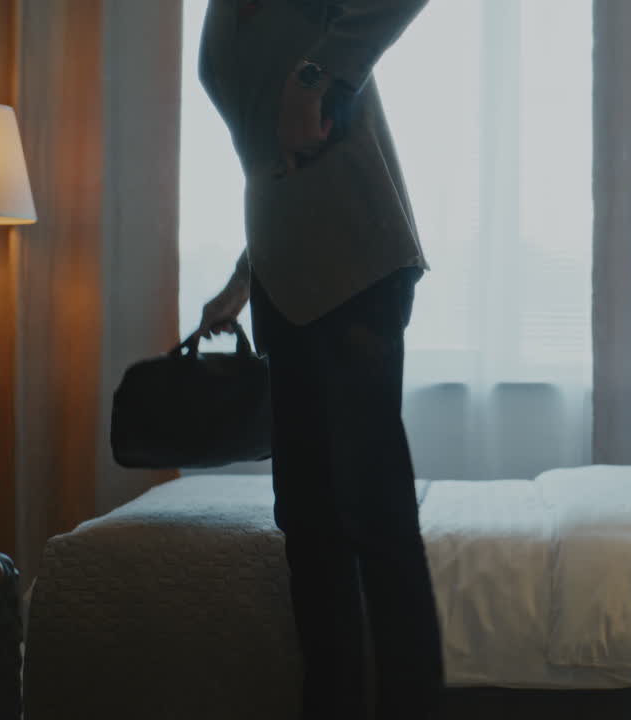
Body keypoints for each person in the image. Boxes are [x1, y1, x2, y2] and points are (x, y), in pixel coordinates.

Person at [194, 1, 443, 718]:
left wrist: (315, 75)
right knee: (307, 524)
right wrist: (244, 279)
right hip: (284, 278)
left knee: (372, 511)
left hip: (354, 262)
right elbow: (270, 157)